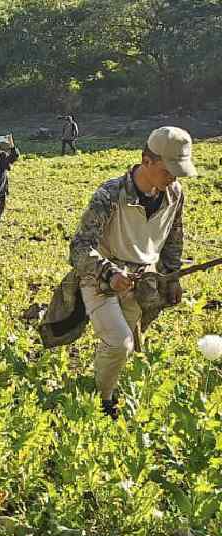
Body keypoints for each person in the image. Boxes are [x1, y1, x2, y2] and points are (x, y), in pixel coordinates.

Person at [68, 126, 193, 413]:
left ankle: (103, 385)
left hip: (141, 281)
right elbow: (79, 247)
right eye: (168, 169)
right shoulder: (110, 195)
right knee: (119, 343)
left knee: (127, 343)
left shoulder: (174, 193)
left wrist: (171, 277)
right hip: (101, 277)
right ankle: (101, 403)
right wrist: (109, 272)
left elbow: (174, 237)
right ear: (146, 161)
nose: (174, 176)